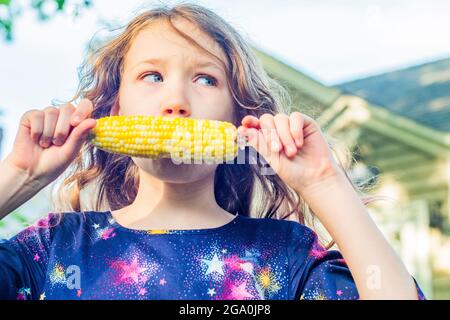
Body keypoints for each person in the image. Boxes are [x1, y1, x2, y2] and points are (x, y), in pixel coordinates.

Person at [0, 3, 425, 300]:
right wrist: (17, 176)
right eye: (152, 76)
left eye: (206, 79)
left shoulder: (286, 255)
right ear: (115, 108)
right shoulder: (53, 248)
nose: (177, 100)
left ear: (239, 117)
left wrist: (326, 184)